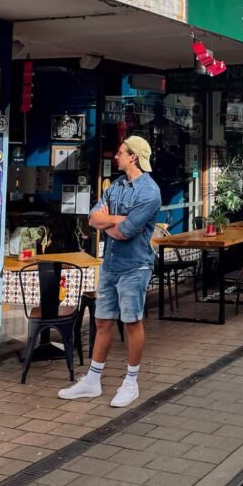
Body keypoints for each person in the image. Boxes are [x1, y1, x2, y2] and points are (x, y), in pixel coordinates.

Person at [59, 136, 161, 407]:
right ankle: (92, 381)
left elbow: (125, 232)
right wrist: (114, 219)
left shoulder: (149, 192)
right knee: (102, 321)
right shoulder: (116, 186)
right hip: (111, 265)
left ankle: (131, 383)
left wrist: (109, 223)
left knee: (131, 322)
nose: (116, 156)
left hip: (135, 267)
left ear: (133, 157)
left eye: (120, 152)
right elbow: (93, 218)